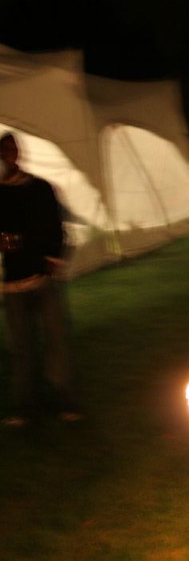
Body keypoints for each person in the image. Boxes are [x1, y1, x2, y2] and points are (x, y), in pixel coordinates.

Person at [0, 131, 81, 427]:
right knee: (22, 348)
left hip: (44, 279)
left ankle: (64, 401)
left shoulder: (40, 187)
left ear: (18, 154)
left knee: (56, 342)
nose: (8, 156)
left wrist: (54, 257)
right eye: (3, 151)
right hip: (13, 283)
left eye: (12, 150)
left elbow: (57, 227)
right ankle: (23, 406)